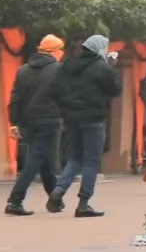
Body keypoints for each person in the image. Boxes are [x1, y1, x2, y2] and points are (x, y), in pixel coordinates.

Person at [48, 34, 122, 218]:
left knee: (75, 157)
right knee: (91, 160)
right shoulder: (102, 67)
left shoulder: (67, 65)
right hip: (93, 118)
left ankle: (59, 189)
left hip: (71, 118)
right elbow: (115, 89)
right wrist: (112, 70)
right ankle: (83, 203)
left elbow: (54, 90)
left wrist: (66, 108)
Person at [2, 33, 64, 216]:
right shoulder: (59, 70)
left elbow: (15, 99)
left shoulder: (23, 70)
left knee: (45, 160)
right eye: (61, 49)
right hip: (50, 120)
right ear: (54, 51)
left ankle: (55, 200)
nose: (62, 53)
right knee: (35, 160)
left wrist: (14, 122)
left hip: (29, 122)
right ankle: (15, 200)